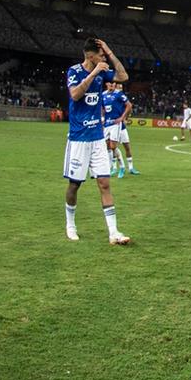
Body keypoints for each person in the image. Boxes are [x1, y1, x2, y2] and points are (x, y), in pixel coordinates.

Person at [62, 38, 131, 244]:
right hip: (78, 139)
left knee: (104, 183)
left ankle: (113, 232)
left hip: (97, 138)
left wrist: (109, 52)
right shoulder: (74, 71)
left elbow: (123, 76)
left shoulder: (104, 72)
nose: (103, 59)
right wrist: (94, 73)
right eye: (100, 55)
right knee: (75, 185)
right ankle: (71, 225)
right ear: (90, 56)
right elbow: (75, 95)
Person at [101, 81, 132, 178]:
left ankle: (122, 167)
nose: (112, 85)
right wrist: (102, 118)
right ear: (106, 84)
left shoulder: (118, 94)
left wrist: (122, 118)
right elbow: (102, 108)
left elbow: (129, 105)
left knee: (113, 146)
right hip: (107, 123)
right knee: (107, 147)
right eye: (110, 83)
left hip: (116, 123)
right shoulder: (103, 94)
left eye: (113, 83)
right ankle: (112, 167)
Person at [115, 84, 139, 175]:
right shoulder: (111, 98)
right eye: (119, 87)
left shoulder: (123, 99)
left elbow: (129, 108)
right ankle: (115, 167)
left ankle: (131, 168)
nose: (120, 89)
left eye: (121, 88)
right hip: (113, 126)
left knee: (127, 147)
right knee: (113, 147)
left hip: (122, 127)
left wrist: (125, 118)